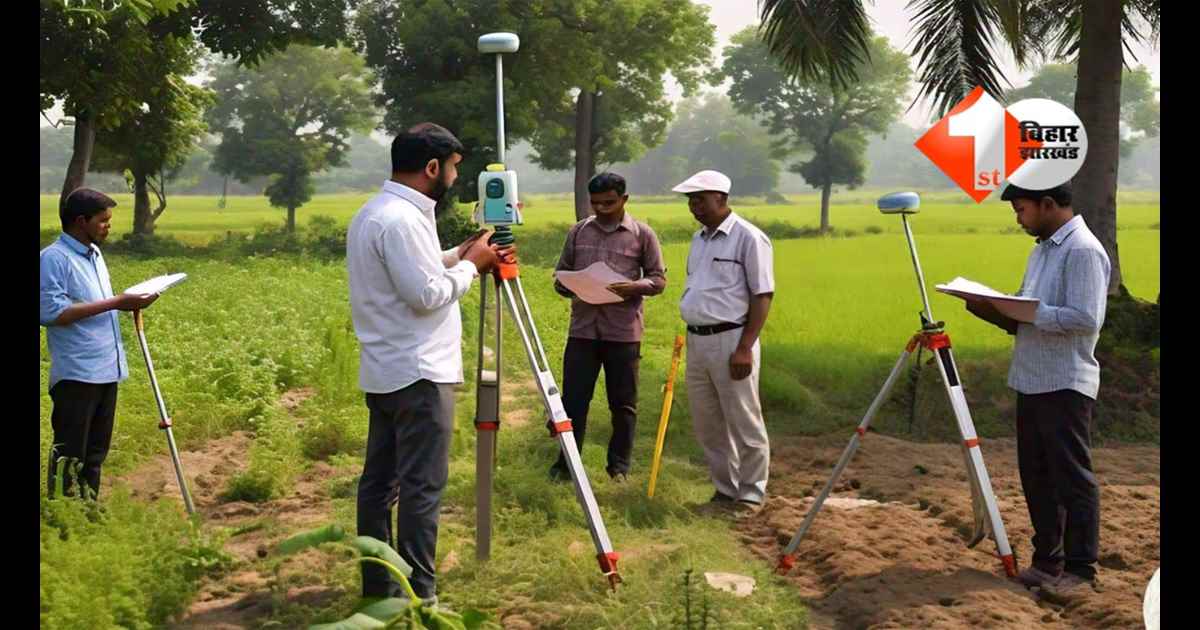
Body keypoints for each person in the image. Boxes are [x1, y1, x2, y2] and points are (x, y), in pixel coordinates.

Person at [347, 122, 510, 606]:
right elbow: (426, 294)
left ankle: (379, 587)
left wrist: (458, 253)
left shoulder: (378, 212)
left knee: (379, 485)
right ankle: (420, 595)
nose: (457, 177)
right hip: (418, 375)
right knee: (421, 489)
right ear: (433, 167)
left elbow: (414, 268)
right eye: (455, 167)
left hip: (387, 370)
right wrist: (473, 266)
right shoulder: (402, 219)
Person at [963, 182, 1109, 602]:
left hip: (1065, 381)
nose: (1018, 217)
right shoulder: (1043, 248)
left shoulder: (1081, 250)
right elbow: (1026, 316)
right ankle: (1048, 560)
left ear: (1048, 204)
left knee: (1071, 478)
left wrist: (1028, 312)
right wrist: (993, 310)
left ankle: (1081, 570)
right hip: (1030, 377)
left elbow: (1085, 318)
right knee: (1037, 475)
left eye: (1021, 209)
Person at [40, 188, 159, 499]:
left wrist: (127, 303)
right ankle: (62, 517)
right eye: (103, 220)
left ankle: (88, 511)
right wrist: (116, 302)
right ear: (81, 221)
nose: (108, 226)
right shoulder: (54, 259)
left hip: (107, 368)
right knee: (70, 455)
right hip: (78, 373)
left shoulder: (94, 254)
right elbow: (51, 313)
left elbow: (98, 302)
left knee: (94, 455)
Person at [549, 172, 666, 482]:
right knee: (573, 402)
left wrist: (632, 287)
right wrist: (567, 285)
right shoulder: (578, 233)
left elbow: (658, 280)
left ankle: (619, 468)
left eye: (609, 203)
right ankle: (566, 466)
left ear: (624, 199)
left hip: (623, 332)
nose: (602, 209)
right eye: (596, 203)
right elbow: (562, 273)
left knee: (623, 403)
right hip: (583, 330)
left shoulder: (642, 234)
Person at [673, 170, 774, 515]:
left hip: (732, 339)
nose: (694, 207)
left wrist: (745, 347)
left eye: (700, 199)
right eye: (691, 200)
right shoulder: (699, 238)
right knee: (708, 422)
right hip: (698, 341)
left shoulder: (748, 237)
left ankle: (751, 493)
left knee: (743, 418)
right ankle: (724, 490)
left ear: (722, 198)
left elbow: (762, 295)